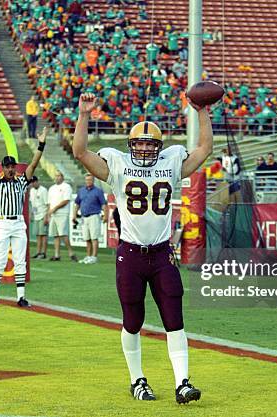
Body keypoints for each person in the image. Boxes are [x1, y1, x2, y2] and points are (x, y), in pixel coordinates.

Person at [73, 92, 209, 404]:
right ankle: (137, 380)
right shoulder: (117, 166)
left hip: (162, 254)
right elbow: (80, 152)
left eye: (150, 144)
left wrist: (202, 113)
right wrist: (84, 115)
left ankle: (183, 383)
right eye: (140, 143)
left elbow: (203, 149)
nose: (145, 148)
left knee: (174, 318)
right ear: (131, 145)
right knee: (132, 320)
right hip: (131, 255)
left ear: (158, 147)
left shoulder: (171, 163)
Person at [0, 126, 45, 308]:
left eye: (12, 166)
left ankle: (21, 297)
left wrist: (41, 144)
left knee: (20, 259)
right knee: (0, 259)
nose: (10, 169)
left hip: (17, 222)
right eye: (7, 166)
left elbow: (33, 165)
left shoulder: (22, 182)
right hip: (2, 222)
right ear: (3, 168)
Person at [73, 173, 108, 264]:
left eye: (90, 180)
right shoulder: (81, 191)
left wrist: (105, 215)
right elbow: (77, 203)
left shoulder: (98, 191)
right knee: (87, 238)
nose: (88, 181)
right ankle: (88, 256)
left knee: (94, 237)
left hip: (94, 216)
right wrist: (74, 214)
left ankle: (94, 256)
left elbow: (103, 204)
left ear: (93, 181)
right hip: (84, 217)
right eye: (87, 180)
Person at [47, 171, 77, 262]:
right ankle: (57, 255)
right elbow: (49, 202)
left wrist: (55, 208)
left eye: (59, 176)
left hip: (62, 213)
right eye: (56, 176)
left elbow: (66, 201)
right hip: (53, 214)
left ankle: (71, 253)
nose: (57, 177)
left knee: (63, 234)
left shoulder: (66, 187)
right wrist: (49, 212)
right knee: (55, 235)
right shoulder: (52, 188)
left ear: (63, 177)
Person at [29, 175, 49, 259]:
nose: (33, 184)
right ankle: (38, 252)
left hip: (43, 214)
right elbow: (33, 204)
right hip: (36, 215)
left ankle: (43, 253)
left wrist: (46, 216)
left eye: (34, 182)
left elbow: (47, 204)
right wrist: (31, 214)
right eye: (31, 182)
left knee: (43, 234)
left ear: (37, 182)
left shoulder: (43, 190)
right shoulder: (32, 191)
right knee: (37, 234)